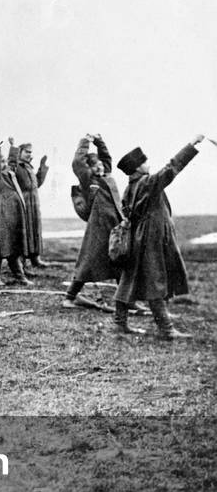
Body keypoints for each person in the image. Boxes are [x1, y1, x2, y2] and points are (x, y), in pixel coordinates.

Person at [112, 136, 206, 339]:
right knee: (155, 281)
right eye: (144, 162)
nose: (148, 164)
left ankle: (120, 323)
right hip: (150, 239)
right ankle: (166, 329)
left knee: (130, 279)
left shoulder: (131, 187)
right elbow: (171, 168)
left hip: (140, 238)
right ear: (137, 168)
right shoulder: (147, 183)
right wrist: (191, 146)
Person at [63, 134, 122, 309]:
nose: (100, 167)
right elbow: (78, 163)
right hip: (97, 229)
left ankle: (127, 300)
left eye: (101, 165)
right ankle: (69, 297)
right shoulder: (88, 180)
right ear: (89, 169)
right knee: (88, 263)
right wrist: (85, 143)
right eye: (95, 166)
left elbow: (107, 158)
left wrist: (99, 141)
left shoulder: (107, 177)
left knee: (120, 260)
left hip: (114, 227)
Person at [0, 131, 30, 286]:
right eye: (1, 161)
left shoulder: (10, 173)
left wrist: (12, 146)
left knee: (15, 246)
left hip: (15, 215)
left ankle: (19, 275)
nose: (3, 164)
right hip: (2, 215)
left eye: (4, 161)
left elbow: (12, 162)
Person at [8, 138, 50, 270]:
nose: (30, 155)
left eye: (31, 153)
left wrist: (42, 167)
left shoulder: (28, 167)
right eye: (27, 152)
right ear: (19, 152)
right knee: (24, 232)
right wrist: (13, 147)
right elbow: (11, 162)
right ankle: (22, 263)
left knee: (35, 229)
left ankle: (35, 259)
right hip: (23, 203)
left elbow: (37, 183)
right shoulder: (16, 167)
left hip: (34, 203)